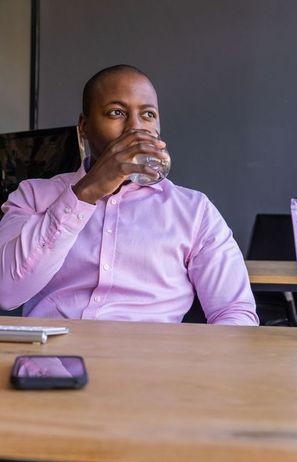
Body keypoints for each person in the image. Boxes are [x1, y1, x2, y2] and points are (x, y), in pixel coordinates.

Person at [0, 64, 258, 325]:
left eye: (147, 114)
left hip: (151, 361)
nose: (135, 129)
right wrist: (85, 194)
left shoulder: (195, 211)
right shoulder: (33, 195)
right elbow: (6, 292)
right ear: (84, 127)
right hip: (53, 360)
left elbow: (235, 312)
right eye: (116, 112)